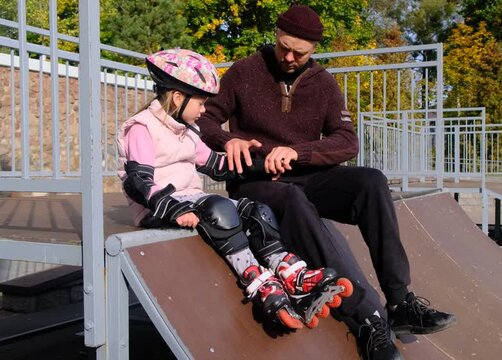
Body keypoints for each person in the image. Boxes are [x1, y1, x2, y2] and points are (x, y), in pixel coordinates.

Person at [197, 5, 457, 360]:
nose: (289, 57)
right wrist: (229, 141)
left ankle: (400, 303)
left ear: (314, 49)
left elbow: (346, 141)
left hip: (309, 176)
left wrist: (298, 153)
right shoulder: (244, 72)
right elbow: (206, 118)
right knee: (292, 200)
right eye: (284, 47)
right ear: (276, 36)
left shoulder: (323, 83)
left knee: (371, 182)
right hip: (257, 183)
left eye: (299, 52)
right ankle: (367, 320)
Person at [116, 48, 352, 330]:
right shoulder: (142, 128)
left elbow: (216, 164)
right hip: (156, 207)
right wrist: (173, 209)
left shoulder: (186, 130)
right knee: (220, 208)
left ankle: (288, 272)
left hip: (191, 201)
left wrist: (261, 164)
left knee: (257, 211)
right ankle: (255, 278)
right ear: (178, 97)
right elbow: (137, 182)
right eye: (201, 103)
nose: (204, 111)